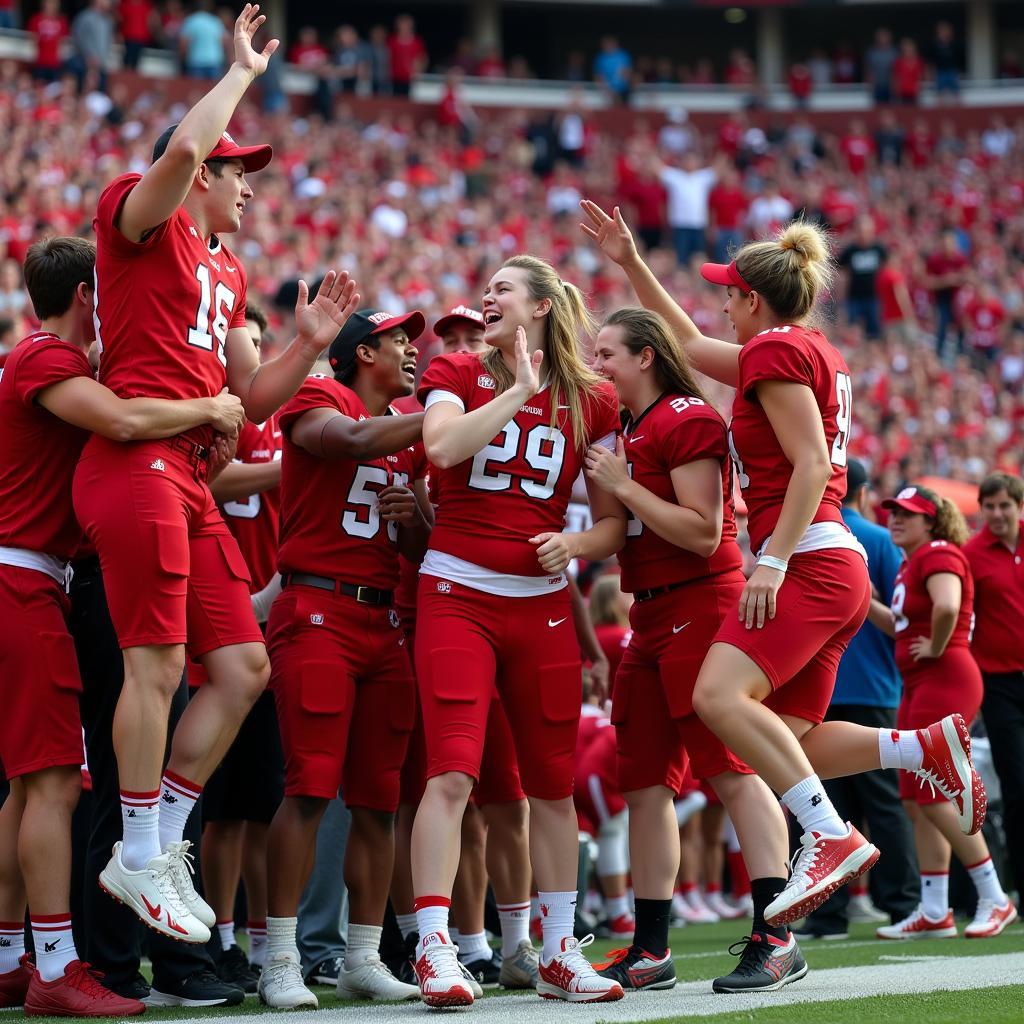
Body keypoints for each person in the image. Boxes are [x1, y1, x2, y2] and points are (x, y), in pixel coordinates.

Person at [577, 200, 986, 940]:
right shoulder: (797, 348)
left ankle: (827, 835)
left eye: (728, 294)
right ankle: (920, 746)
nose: (721, 309)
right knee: (787, 739)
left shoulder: (773, 350)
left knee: (716, 695)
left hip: (809, 559)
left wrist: (768, 562)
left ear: (752, 298)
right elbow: (687, 342)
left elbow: (807, 464)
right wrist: (632, 264)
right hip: (827, 560)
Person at [73, 4, 360, 946]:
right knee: (156, 665)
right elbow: (181, 153)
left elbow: (255, 398)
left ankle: (154, 845)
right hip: (138, 461)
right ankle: (144, 849)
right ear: (199, 171)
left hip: (193, 476)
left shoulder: (226, 272)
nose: (247, 187)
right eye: (235, 170)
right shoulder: (140, 215)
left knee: (240, 670)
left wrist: (309, 346)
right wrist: (239, 74)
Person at [0, 235, 244, 1015]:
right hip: (21, 573)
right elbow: (125, 422)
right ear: (86, 297)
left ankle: (14, 954)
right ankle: (55, 968)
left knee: (29, 789)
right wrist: (208, 405)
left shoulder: (56, 360)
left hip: (36, 576)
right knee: (49, 789)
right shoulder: (44, 358)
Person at [409, 254, 627, 1006]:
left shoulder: (593, 400)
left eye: (502, 288)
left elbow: (610, 524)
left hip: (541, 605)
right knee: (452, 774)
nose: (485, 296)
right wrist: (520, 392)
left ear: (539, 307)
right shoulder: (458, 371)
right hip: (458, 593)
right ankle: (434, 946)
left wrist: (575, 547)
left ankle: (560, 948)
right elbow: (441, 448)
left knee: (553, 787)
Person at [581, 304, 807, 993]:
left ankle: (779, 935)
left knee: (730, 771)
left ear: (646, 355)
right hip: (648, 615)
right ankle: (650, 945)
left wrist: (622, 487)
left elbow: (705, 532)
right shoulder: (631, 425)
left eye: (608, 353)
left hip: (699, 603)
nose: (599, 365)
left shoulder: (686, 417)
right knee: (643, 783)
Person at [259, 308, 429, 1008]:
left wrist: (417, 519)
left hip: (383, 617)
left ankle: (363, 954)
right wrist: (445, 417)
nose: (413, 354)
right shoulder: (322, 396)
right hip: (317, 609)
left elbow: (420, 549)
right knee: (308, 789)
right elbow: (350, 438)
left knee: (378, 800)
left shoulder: (408, 431)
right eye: (399, 341)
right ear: (364, 352)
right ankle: (278, 957)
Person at [876, 485, 1016, 939]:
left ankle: (994, 897)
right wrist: (861, 602)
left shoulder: (938, 552)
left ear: (931, 521)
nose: (897, 518)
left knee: (937, 794)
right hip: (920, 684)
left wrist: (935, 644)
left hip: (946, 678)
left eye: (908, 514)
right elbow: (899, 626)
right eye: (894, 511)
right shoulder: (911, 562)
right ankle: (935, 909)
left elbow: (949, 606)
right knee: (916, 798)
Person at [794, 459, 918, 940]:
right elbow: (905, 619)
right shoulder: (882, 541)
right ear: (863, 494)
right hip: (872, 686)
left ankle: (829, 914)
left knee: (823, 804)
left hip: (814, 686)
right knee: (883, 803)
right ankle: (903, 903)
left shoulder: (804, 528)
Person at [201, 301, 284, 993]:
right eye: (243, 342)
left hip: (271, 616)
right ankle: (218, 935)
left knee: (263, 800)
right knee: (221, 807)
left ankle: (259, 938)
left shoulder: (276, 418)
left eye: (259, 343)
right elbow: (215, 479)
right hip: (218, 614)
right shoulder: (216, 411)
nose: (251, 354)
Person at [963, 474, 1024, 906]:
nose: (998, 514)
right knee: (1016, 784)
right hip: (998, 685)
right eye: (991, 507)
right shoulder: (971, 554)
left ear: (1019, 506)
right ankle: (1021, 886)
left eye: (1005, 506)